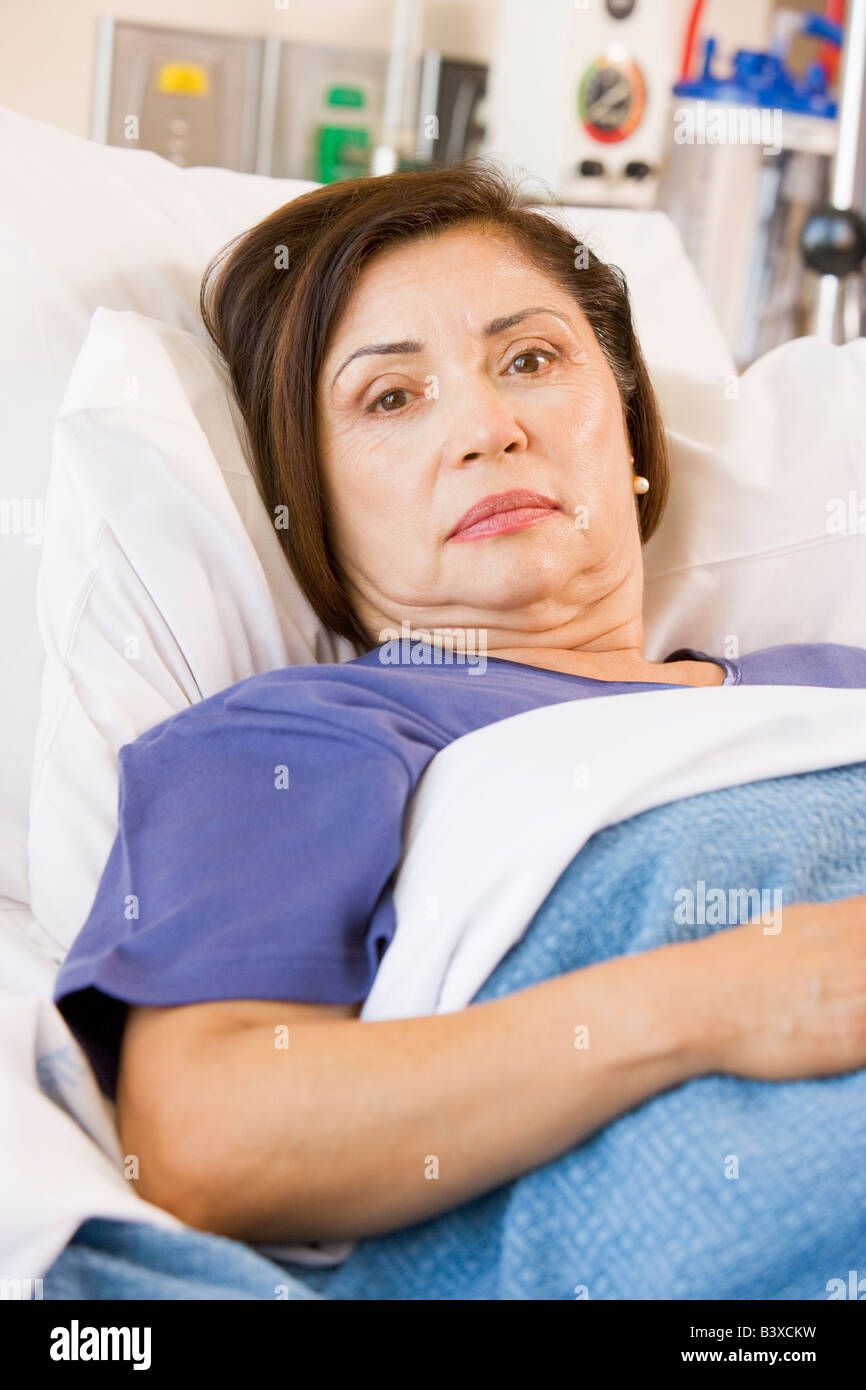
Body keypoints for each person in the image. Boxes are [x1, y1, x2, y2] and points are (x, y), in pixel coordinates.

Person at [53, 160, 866, 1248]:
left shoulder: (828, 680)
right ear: (312, 499)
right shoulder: (298, 737)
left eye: (529, 359)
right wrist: (719, 999)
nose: (485, 426)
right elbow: (202, 1136)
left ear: (627, 428)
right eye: (391, 397)